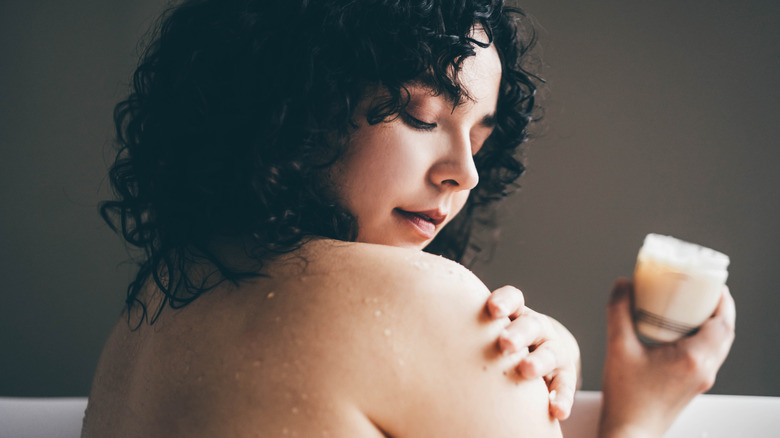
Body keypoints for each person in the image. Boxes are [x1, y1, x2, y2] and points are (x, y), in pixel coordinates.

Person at [82, 0, 735, 437]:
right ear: (296, 103)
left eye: (478, 135)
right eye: (422, 117)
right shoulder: (424, 302)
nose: (465, 172)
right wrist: (641, 416)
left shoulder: (157, 299)